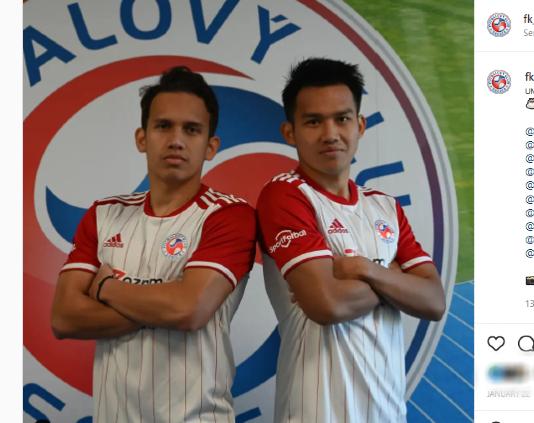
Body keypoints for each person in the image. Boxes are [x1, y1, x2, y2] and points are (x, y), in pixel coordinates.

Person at [50, 66, 256, 421]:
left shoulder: (230, 215)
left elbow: (189, 310)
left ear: (211, 146)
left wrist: (107, 289)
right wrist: (163, 302)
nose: (176, 140)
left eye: (191, 129)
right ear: (142, 138)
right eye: (163, 126)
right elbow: (64, 318)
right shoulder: (104, 214)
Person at [257, 58, 446, 422]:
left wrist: (363, 269)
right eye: (314, 122)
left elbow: (434, 300)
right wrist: (394, 277)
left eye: (342, 118)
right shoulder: (284, 195)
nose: (330, 134)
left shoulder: (384, 207)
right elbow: (327, 304)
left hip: (389, 413)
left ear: (359, 125)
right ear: (290, 132)